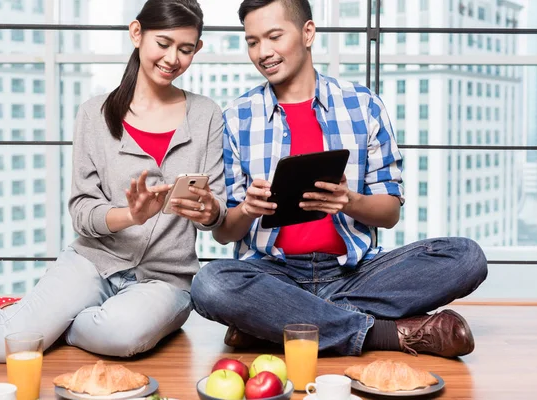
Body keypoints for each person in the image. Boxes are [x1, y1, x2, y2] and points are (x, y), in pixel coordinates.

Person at [191, 0, 488, 358]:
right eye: (252, 41)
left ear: (308, 33)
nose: (263, 52)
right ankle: (385, 334)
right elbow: (225, 234)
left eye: (273, 36)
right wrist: (249, 210)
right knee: (210, 284)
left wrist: (351, 201)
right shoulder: (238, 116)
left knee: (466, 256)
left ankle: (277, 322)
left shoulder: (363, 105)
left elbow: (390, 212)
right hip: (274, 273)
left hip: (355, 272)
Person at [0, 0, 227, 363]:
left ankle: (46, 322)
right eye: (164, 43)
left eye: (186, 49)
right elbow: (82, 213)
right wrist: (130, 216)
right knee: (6, 344)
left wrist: (208, 210)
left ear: (197, 50)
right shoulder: (94, 113)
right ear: (137, 33)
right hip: (93, 261)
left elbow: (218, 213)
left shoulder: (206, 114)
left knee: (122, 336)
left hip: (165, 281)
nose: (173, 58)